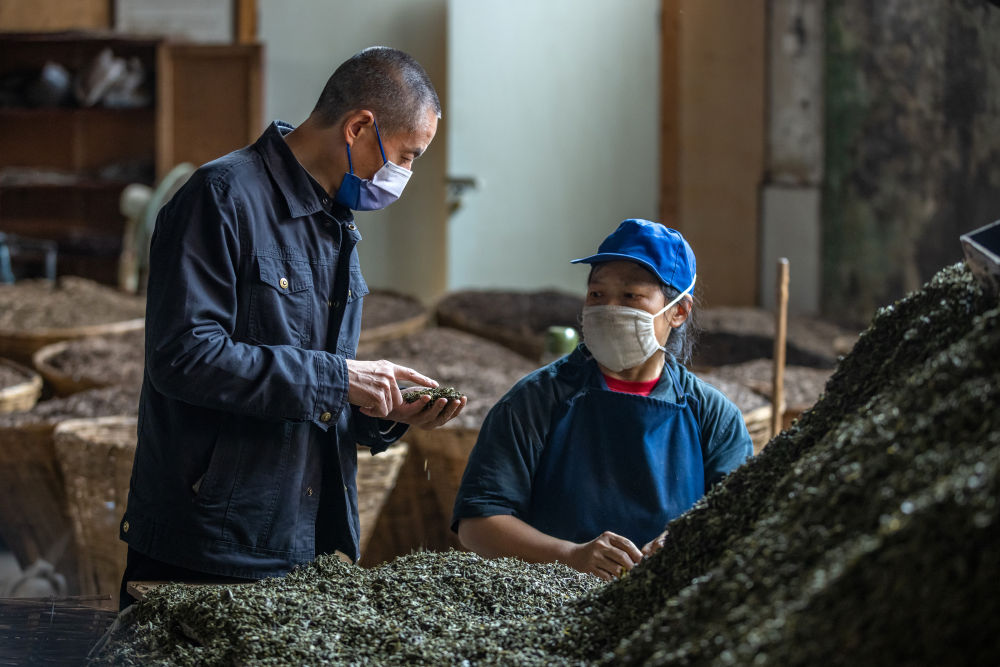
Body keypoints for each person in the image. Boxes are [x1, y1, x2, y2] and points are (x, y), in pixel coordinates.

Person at [118, 47, 466, 609]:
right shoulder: (221, 197)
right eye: (407, 156)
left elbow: (310, 388)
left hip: (307, 540)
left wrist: (380, 408)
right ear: (358, 127)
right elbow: (183, 357)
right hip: (211, 545)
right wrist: (340, 378)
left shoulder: (335, 222)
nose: (404, 175)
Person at [451, 219, 752, 581]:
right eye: (596, 294)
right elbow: (477, 524)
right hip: (551, 599)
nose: (609, 309)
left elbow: (740, 517)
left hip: (672, 602)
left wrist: (687, 541)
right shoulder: (534, 401)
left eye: (630, 297)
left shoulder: (713, 416)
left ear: (678, 311)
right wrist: (570, 556)